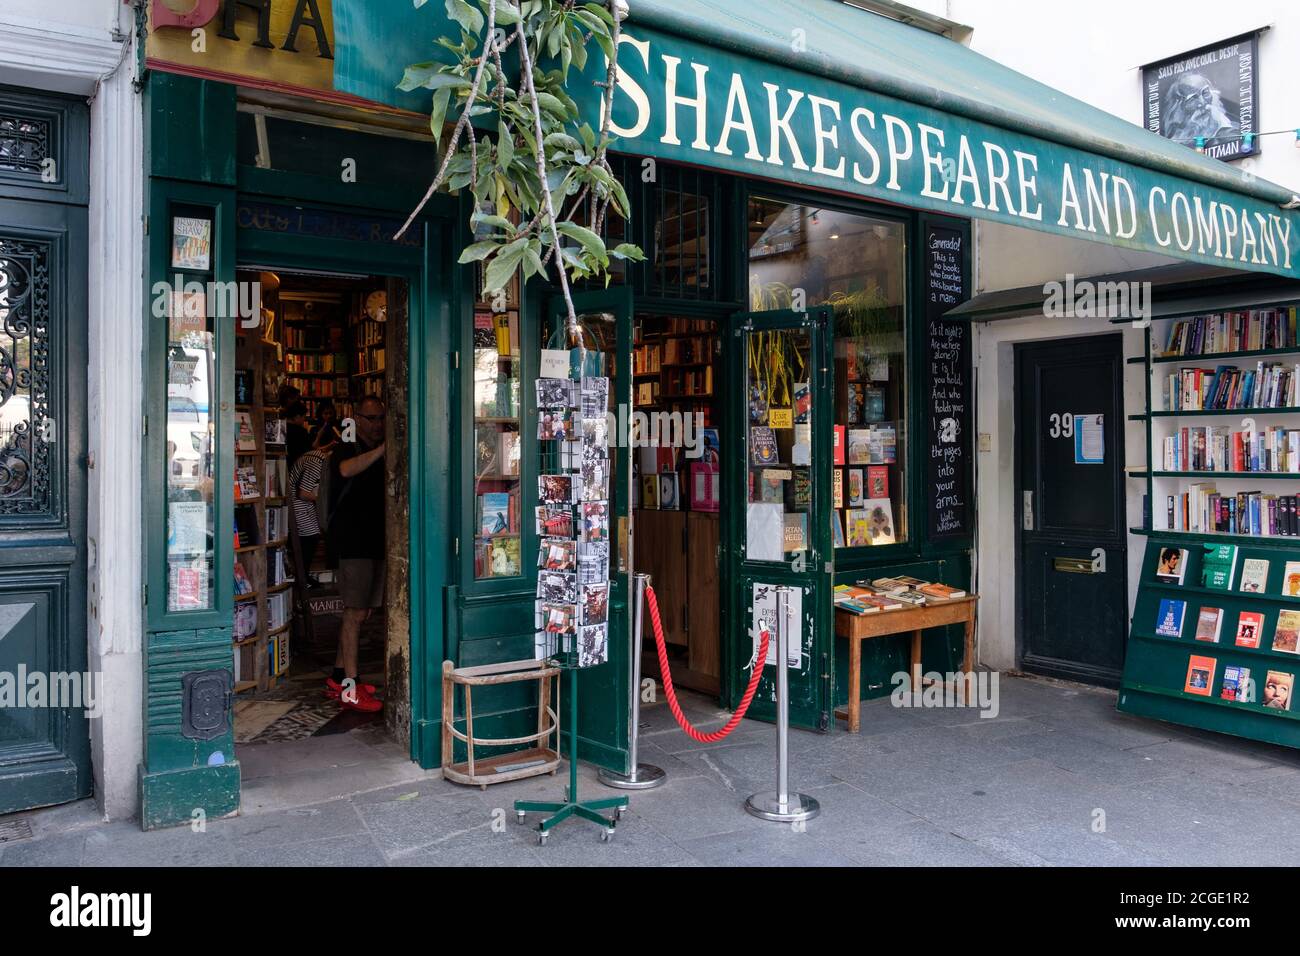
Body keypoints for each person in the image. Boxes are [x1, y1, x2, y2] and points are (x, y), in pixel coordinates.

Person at [325, 396, 386, 712]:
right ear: (357, 418)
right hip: (352, 543)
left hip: (374, 542)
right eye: (371, 418)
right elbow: (346, 470)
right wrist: (381, 452)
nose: (377, 425)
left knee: (360, 613)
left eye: (381, 419)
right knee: (353, 614)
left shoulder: (370, 444)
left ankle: (339, 677)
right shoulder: (347, 444)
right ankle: (350, 686)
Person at [287, 447, 329, 588]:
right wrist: (324, 498)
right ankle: (302, 577)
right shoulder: (317, 464)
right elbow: (303, 493)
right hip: (297, 504)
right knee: (310, 537)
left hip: (302, 505)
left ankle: (302, 575)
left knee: (311, 536)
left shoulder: (316, 457)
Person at [283, 401, 312, 467]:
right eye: (303, 417)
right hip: (297, 466)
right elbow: (309, 451)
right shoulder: (301, 431)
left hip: (283, 464)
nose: (304, 420)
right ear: (297, 416)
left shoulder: (281, 428)